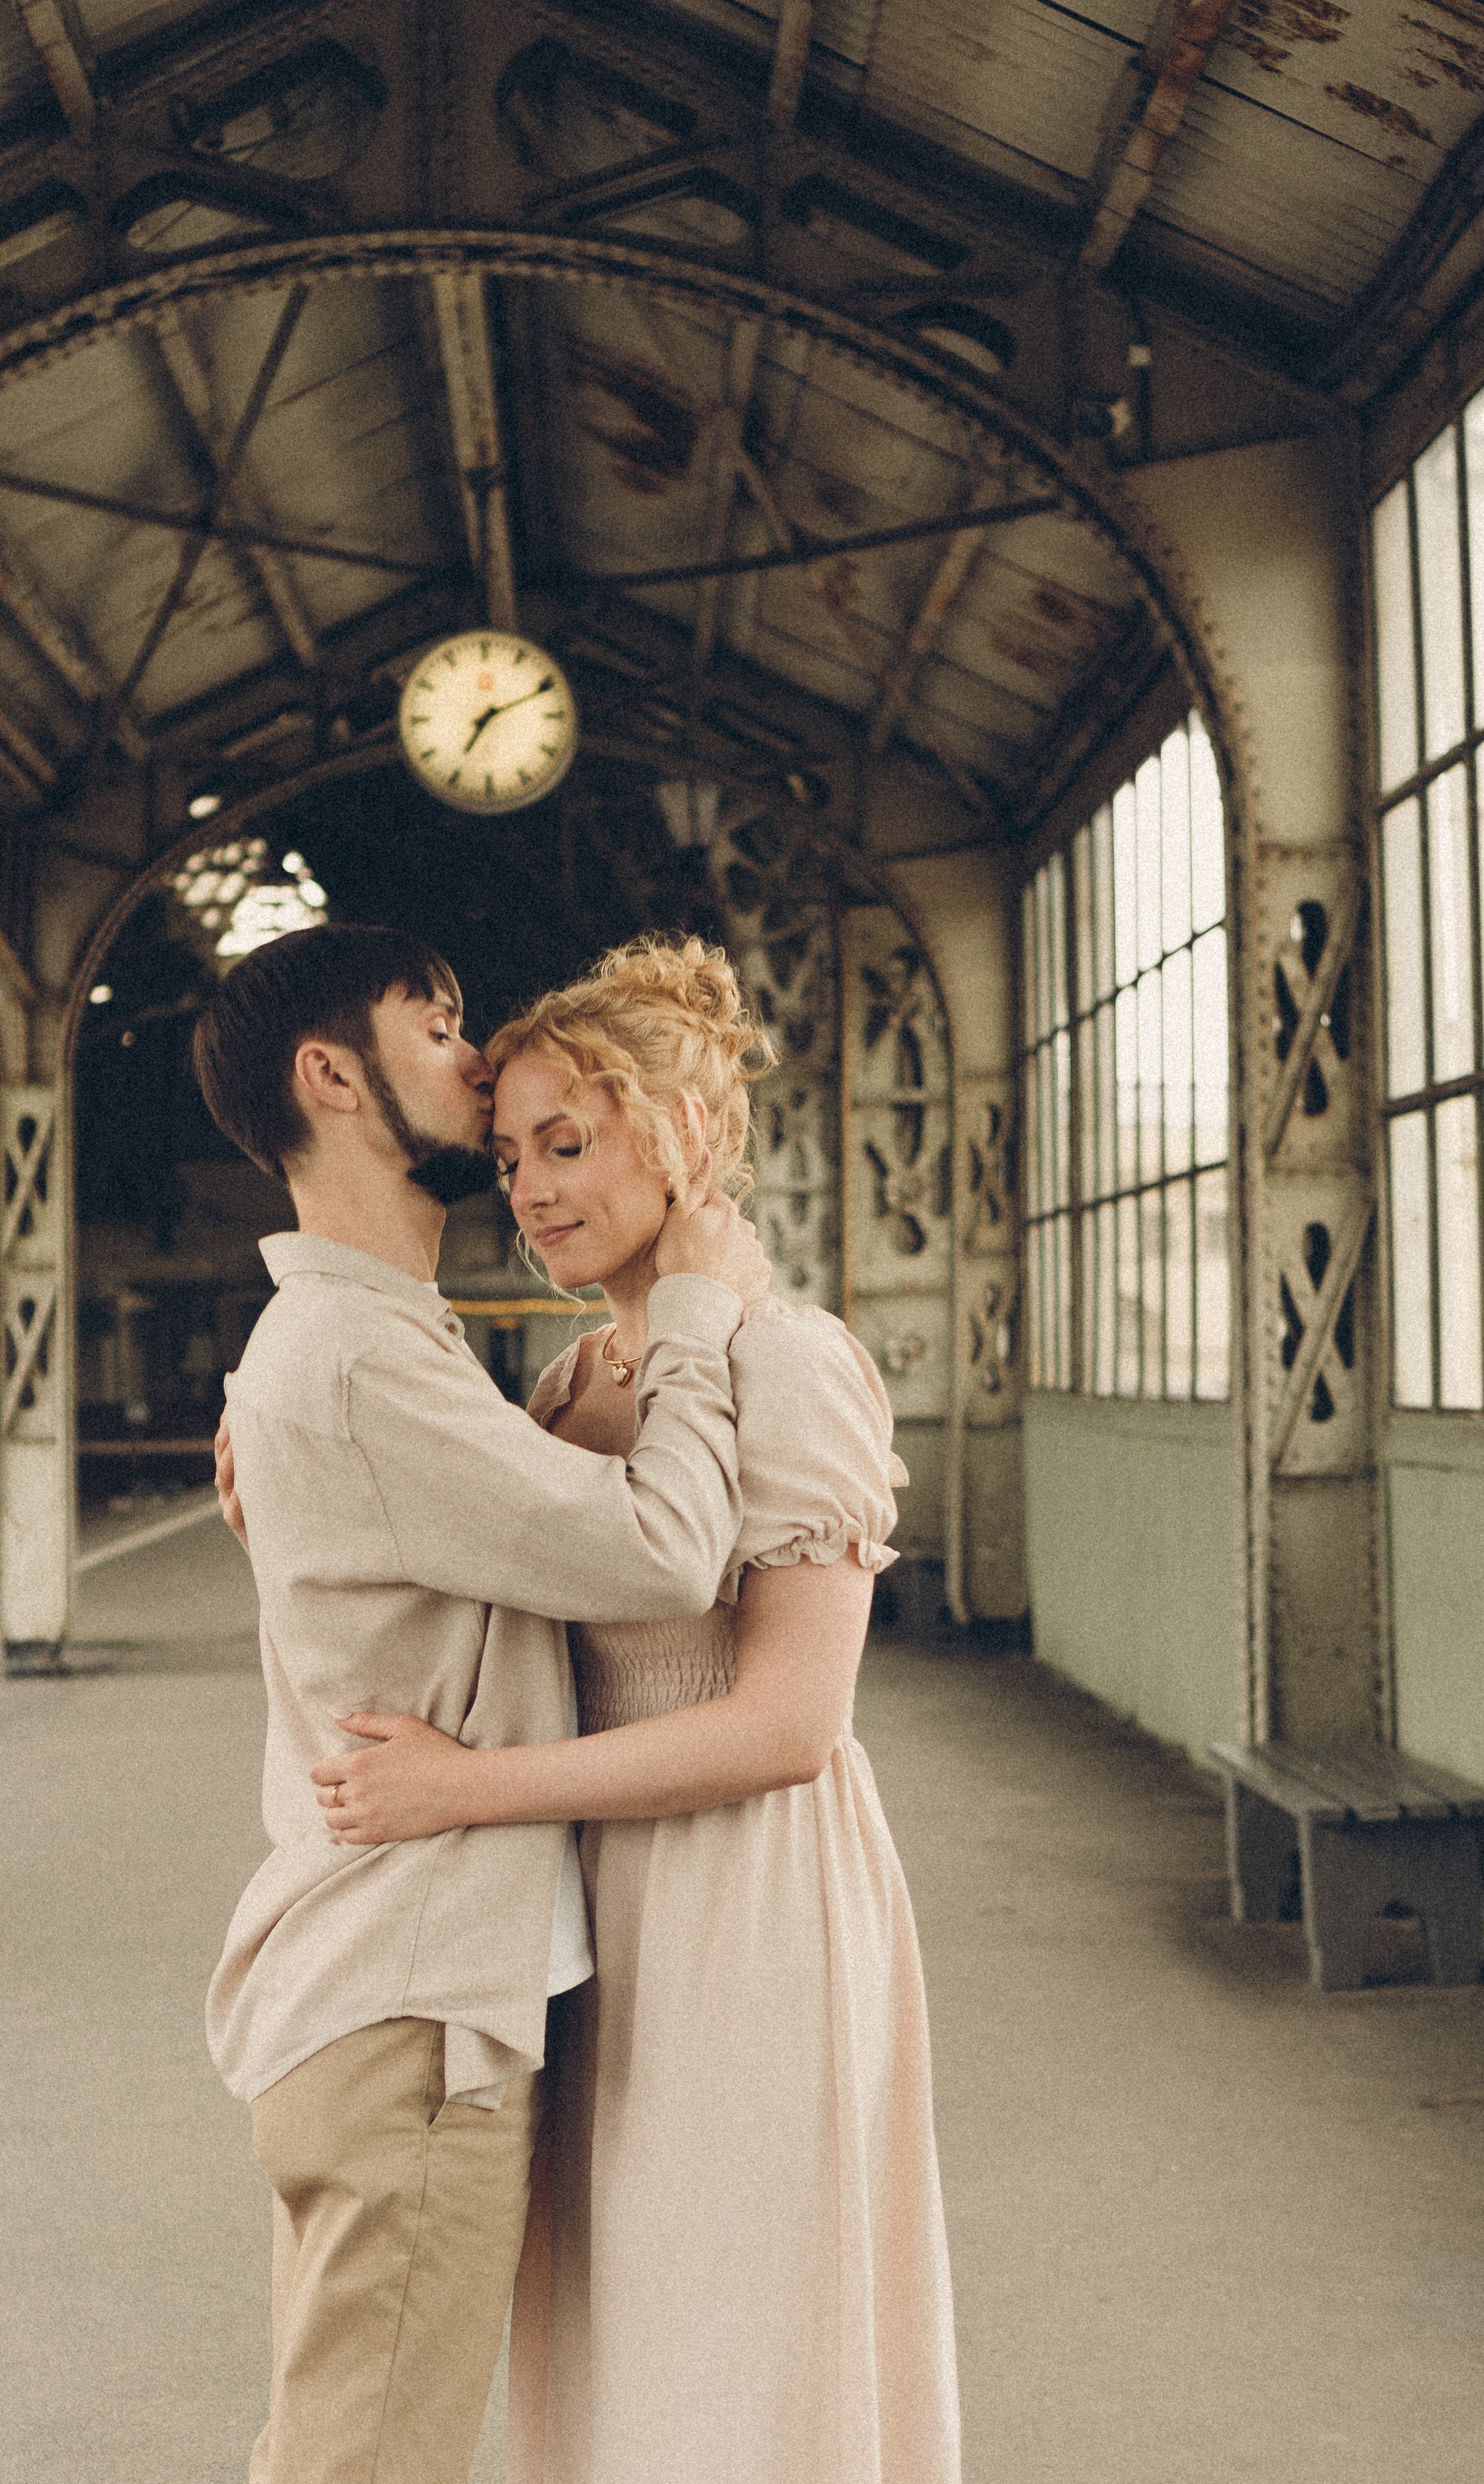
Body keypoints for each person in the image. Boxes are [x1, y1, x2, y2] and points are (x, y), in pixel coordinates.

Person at [308, 935, 962, 2484]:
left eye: (567, 1142)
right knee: (617, 2323)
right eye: (512, 1152)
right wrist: (286, 1473)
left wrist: (468, 1790)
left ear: (681, 1135)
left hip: (749, 1900)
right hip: (593, 1906)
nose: (528, 1190)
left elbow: (789, 1725)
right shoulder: (567, 1380)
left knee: (734, 2321)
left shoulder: (791, 1362)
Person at [193, 921, 769, 2484]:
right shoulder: (361, 1360)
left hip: (388, 1992)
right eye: (431, 1026)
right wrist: (705, 1311)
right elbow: (660, 1551)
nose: (469, 1049)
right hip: (412, 2006)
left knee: (342, 2448)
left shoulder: (357, 1349)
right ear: (331, 1076)